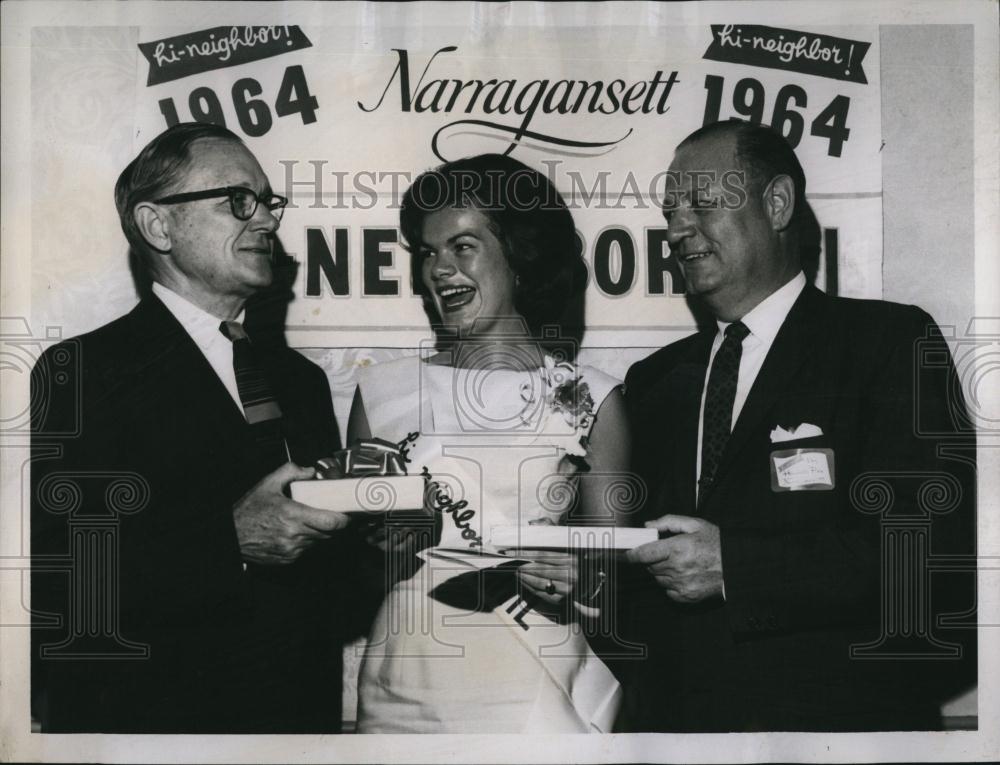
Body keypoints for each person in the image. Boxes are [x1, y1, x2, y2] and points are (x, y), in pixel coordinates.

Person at [621, 119, 976, 732]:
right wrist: (582, 583)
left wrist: (735, 566)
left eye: (702, 203)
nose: (676, 229)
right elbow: (641, 573)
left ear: (777, 203)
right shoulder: (652, 381)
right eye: (670, 211)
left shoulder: (886, 343)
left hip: (838, 730)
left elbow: (926, 552)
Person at [30, 123, 374, 733]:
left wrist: (378, 531)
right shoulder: (81, 373)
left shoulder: (301, 382)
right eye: (238, 201)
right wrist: (228, 542)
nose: (266, 220)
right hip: (156, 728)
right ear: (158, 225)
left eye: (268, 202)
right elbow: (58, 581)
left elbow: (329, 584)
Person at [351, 154, 631, 733]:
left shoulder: (585, 397)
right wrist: (378, 543)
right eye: (427, 252)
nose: (439, 270)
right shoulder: (381, 392)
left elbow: (617, 578)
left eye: (463, 246)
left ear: (520, 256)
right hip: (400, 681)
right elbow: (349, 568)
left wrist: (579, 578)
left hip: (531, 680)